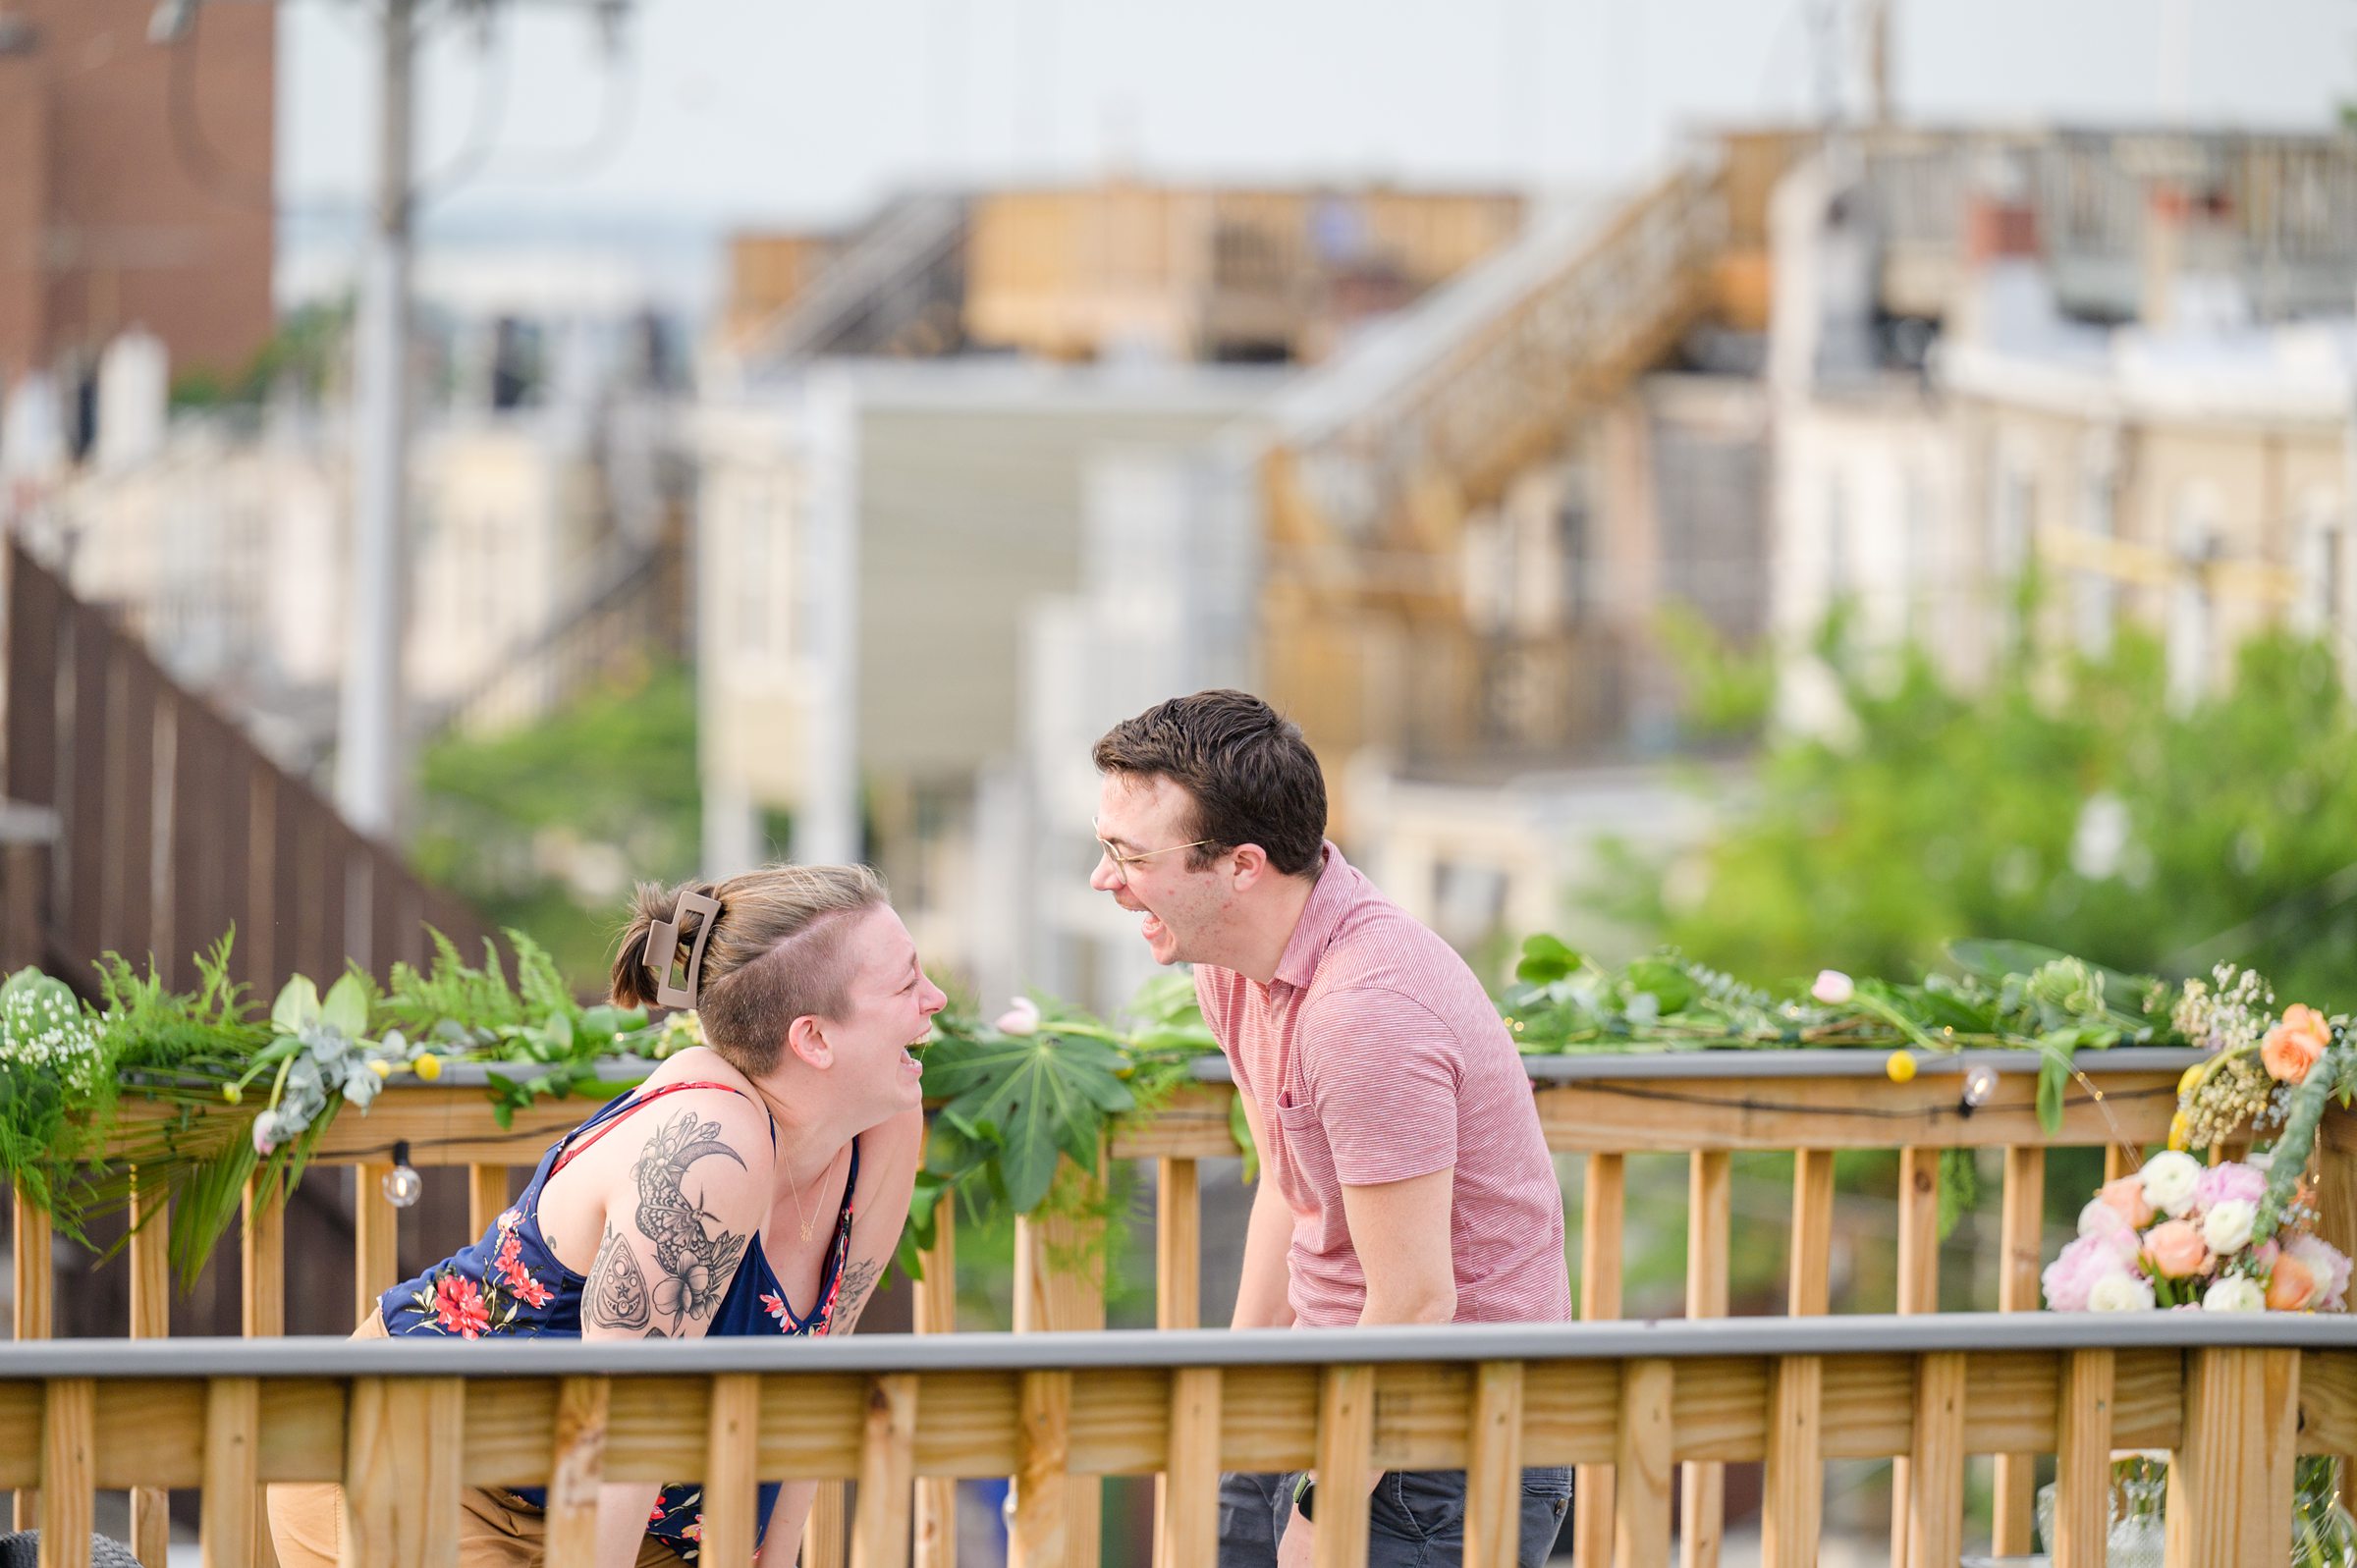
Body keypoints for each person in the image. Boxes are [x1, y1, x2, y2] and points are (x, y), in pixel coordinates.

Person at [267, 864, 940, 1568]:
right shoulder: (712, 1152)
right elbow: (619, 1433)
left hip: (622, 1516)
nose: (936, 999)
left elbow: (821, 1373)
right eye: (906, 983)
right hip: (420, 1463)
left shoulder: (887, 1123)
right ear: (814, 1039)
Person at [1089, 690, 1574, 1568]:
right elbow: (1290, 1180)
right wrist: (1239, 1393)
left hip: (1442, 1445)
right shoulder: (1237, 961)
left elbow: (1419, 1301)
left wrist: (1328, 1497)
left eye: (1128, 855)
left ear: (1240, 865)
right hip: (1327, 1383)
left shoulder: (1364, 1010)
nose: (1104, 878)